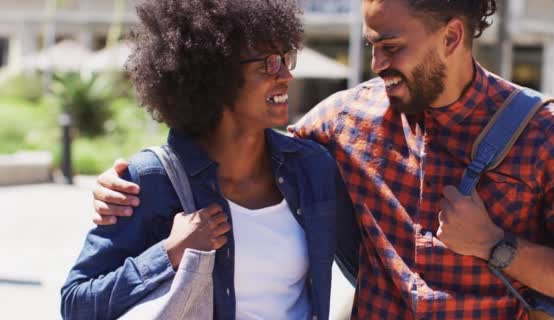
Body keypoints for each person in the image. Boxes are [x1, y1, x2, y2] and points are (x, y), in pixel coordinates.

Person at [91, 0, 554, 319]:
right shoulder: (347, 119)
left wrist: (498, 249)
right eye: (370, 46)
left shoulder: (548, 137)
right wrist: (131, 177)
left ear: (451, 36)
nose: (376, 65)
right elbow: (237, 140)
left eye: (391, 47)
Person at [60, 0, 357, 319]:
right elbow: (77, 303)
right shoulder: (151, 180)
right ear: (217, 72)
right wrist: (169, 254)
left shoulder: (312, 167)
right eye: (269, 63)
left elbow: (369, 270)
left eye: (287, 58)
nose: (286, 75)